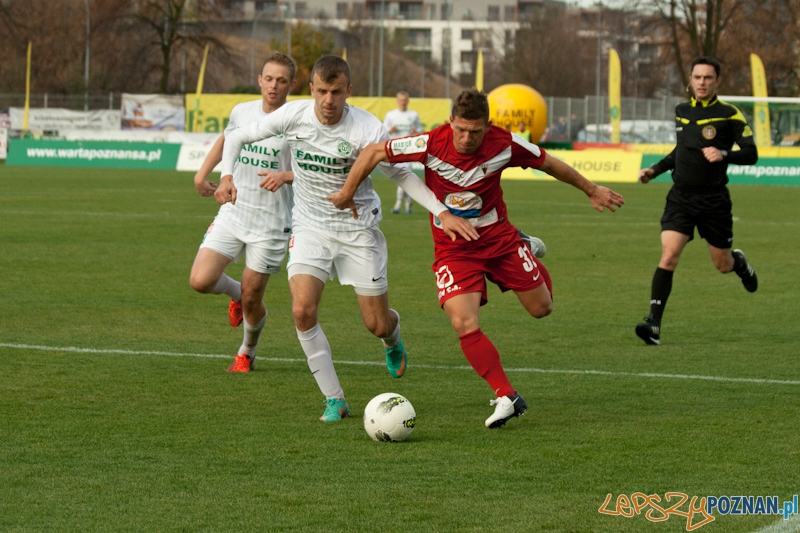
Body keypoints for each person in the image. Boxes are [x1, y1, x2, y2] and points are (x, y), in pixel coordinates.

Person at [328, 88, 625, 429]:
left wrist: (591, 189)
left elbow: (549, 163)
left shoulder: (505, 143)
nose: (467, 138)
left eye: (476, 131)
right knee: (463, 322)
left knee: (542, 308)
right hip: (454, 249)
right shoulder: (429, 142)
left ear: (488, 126)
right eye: (461, 129)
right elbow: (374, 152)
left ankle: (524, 246)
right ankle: (507, 396)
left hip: (499, 239)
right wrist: (347, 193)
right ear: (450, 122)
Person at [218, 56, 477, 422]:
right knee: (301, 310)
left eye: (336, 92)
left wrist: (443, 211)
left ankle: (392, 337)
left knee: (376, 323)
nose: (328, 99)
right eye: (322, 91)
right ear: (311, 90)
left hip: (358, 230)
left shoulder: (367, 130)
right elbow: (239, 135)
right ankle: (334, 398)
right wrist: (227, 175)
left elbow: (402, 175)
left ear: (348, 91)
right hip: (310, 227)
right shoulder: (293, 117)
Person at [636, 56, 758, 345]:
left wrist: (724, 154)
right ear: (690, 80)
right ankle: (653, 324)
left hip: (714, 201)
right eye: (698, 77)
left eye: (708, 78)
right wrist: (654, 170)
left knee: (722, 265)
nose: (702, 82)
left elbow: (751, 154)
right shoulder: (681, 111)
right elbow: (681, 151)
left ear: (717, 81)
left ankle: (738, 262)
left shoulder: (730, 114)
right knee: (669, 256)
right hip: (681, 197)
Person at [189, 52, 297, 372]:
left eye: (281, 80)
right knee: (200, 279)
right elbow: (228, 138)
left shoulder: (298, 121)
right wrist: (203, 173)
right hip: (235, 211)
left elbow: (310, 170)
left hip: (272, 223)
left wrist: (286, 176)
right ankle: (234, 293)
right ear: (259, 80)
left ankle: (246, 351)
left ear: (290, 85)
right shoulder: (243, 111)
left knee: (254, 298)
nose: (274, 86)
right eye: (269, 79)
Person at [383, 91, 423, 214]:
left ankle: (397, 205)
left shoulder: (414, 115)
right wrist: (391, 129)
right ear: (397, 100)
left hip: (408, 151)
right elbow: (384, 130)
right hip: (395, 150)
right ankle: (408, 202)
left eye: (405, 100)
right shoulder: (391, 115)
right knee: (400, 179)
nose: (403, 102)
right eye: (400, 100)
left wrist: (416, 131)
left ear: (408, 101)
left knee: (403, 177)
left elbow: (420, 130)